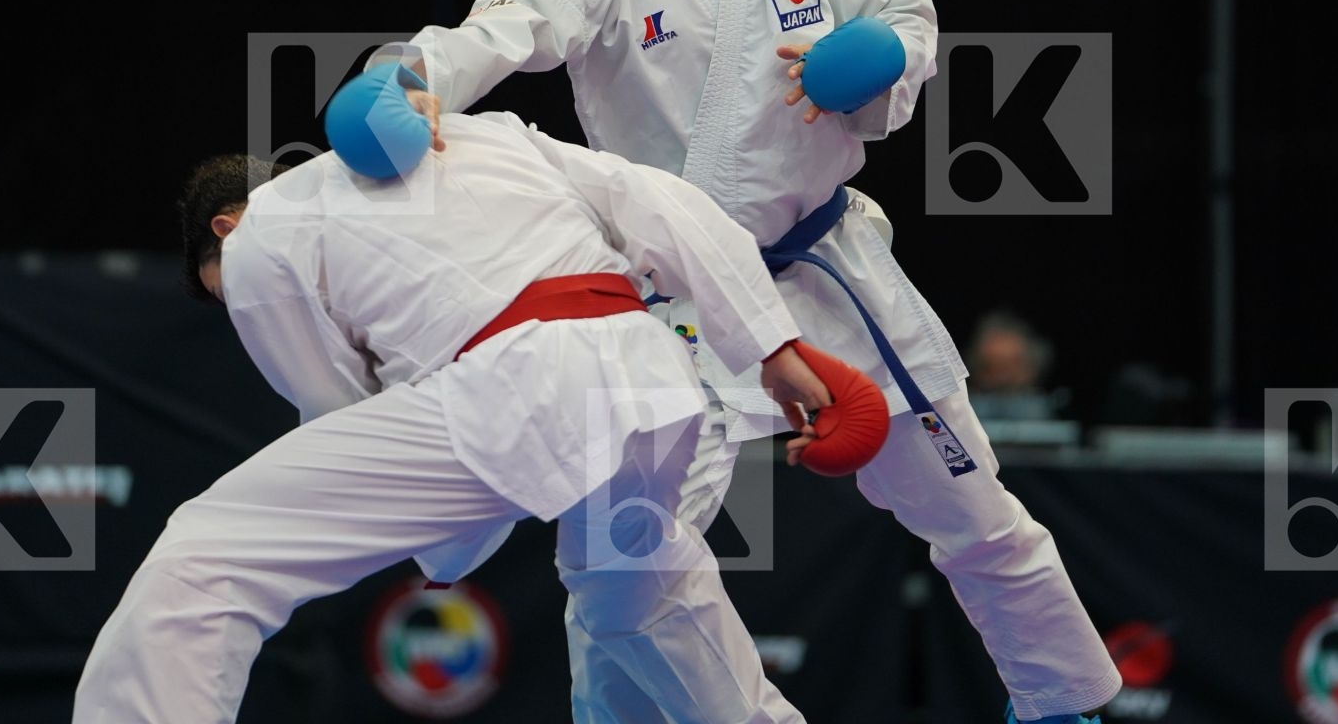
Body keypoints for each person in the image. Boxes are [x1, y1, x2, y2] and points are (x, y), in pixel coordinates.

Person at [382, 0, 1117, 723]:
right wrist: (408, 79)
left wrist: (879, 58)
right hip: (677, 301)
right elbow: (496, 30)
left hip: (828, 270)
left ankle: (1062, 704)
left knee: (976, 511)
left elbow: (902, 11)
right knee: (622, 565)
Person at [74, 81, 887, 723]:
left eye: (224, 297)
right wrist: (772, 346)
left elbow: (336, 407)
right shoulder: (483, 132)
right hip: (650, 379)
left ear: (225, 226)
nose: (239, 313)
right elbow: (662, 204)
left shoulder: (258, 238)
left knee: (210, 553)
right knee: (635, 592)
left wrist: (443, 551)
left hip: (521, 387)